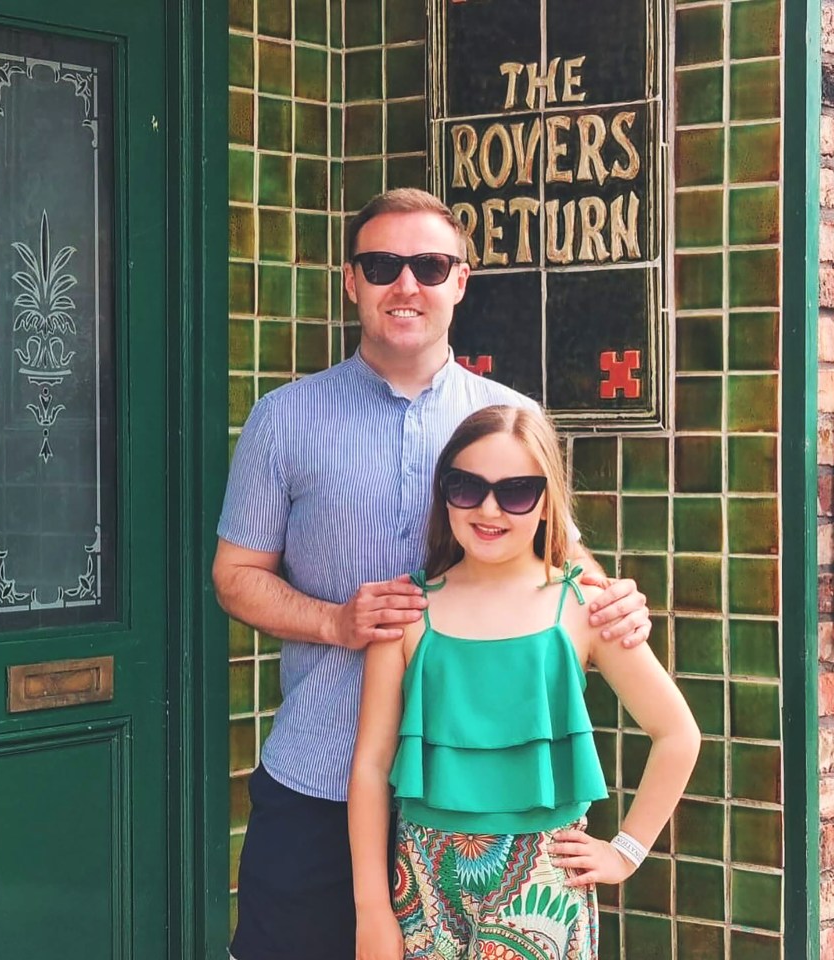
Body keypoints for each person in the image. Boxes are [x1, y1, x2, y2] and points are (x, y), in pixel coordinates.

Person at [213, 188, 653, 960]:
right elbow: (234, 575)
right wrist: (333, 622)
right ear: (351, 281)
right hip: (319, 777)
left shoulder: (509, 416)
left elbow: (561, 558)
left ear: (460, 282)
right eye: (382, 265)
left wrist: (615, 605)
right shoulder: (284, 418)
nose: (405, 284)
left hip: (470, 817)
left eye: (429, 264)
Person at [348, 405, 700, 960]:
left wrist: (626, 852)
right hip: (419, 879)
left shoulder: (582, 608)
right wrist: (372, 909)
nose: (488, 509)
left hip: (543, 880)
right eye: (466, 487)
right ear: (444, 493)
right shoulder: (408, 612)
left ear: (546, 501)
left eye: (515, 492)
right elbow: (369, 765)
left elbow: (678, 734)